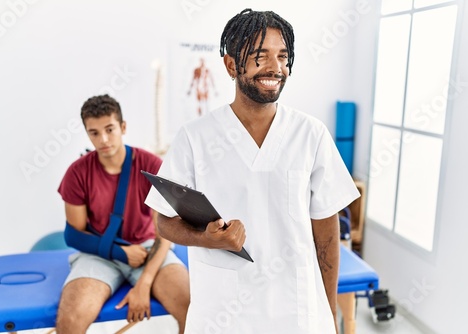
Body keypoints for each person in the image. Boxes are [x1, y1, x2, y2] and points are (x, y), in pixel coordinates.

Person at [144, 8, 360, 333]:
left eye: (283, 57)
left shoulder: (310, 134)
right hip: (225, 313)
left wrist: (329, 313)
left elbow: (326, 233)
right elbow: (164, 223)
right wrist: (205, 238)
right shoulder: (195, 137)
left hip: (297, 312)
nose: (276, 67)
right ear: (231, 64)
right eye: (261, 56)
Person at [56, 95, 190, 334]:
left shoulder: (150, 165)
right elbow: (74, 236)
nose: (103, 139)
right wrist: (119, 252)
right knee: (70, 320)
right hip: (98, 254)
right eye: (94, 133)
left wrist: (144, 284)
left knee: (193, 309)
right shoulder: (77, 173)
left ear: (123, 127)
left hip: (148, 249)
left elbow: (166, 231)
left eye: (109, 129)